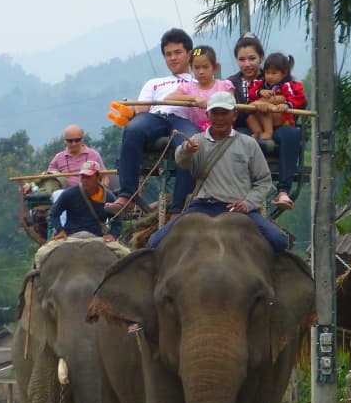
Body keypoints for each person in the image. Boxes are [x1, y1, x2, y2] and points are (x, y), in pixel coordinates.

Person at [147, 91, 290, 253]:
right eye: (215, 113)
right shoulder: (197, 140)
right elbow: (182, 161)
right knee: (154, 242)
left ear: (234, 115)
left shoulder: (249, 144)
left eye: (224, 113)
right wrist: (186, 150)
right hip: (202, 206)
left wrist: (248, 203)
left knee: (279, 240)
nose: (219, 118)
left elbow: (263, 180)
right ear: (208, 114)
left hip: (238, 207)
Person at [105, 28, 200, 215]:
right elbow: (141, 110)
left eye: (178, 52)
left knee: (190, 144)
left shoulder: (198, 81)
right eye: (168, 54)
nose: (173, 58)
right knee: (133, 129)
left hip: (182, 119)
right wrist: (130, 113)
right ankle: (127, 196)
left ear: (189, 54)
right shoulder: (154, 83)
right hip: (155, 117)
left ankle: (178, 207)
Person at [228, 34, 303, 210]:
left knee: (292, 133)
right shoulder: (231, 83)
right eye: (242, 59)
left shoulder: (273, 75)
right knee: (242, 139)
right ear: (236, 61)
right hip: (245, 126)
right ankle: (239, 191)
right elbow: (232, 113)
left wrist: (281, 101)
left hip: (277, 123)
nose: (247, 64)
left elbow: (298, 98)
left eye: (252, 58)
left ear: (260, 58)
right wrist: (254, 106)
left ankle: (282, 191)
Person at [34, 161, 128, 267]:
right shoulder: (69, 193)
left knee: (126, 255)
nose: (84, 180)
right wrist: (60, 230)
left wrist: (113, 235)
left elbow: (117, 219)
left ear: (98, 177)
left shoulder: (108, 196)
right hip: (70, 237)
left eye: (88, 177)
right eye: (82, 176)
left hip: (98, 237)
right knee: (40, 255)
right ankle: (35, 282)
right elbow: (54, 213)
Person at [165, 45, 234, 133]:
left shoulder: (225, 85)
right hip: (197, 131)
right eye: (197, 68)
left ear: (215, 67)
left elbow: (232, 107)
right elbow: (169, 98)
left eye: (205, 67)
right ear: (191, 69)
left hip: (223, 127)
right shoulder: (189, 88)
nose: (201, 72)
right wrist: (194, 98)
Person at [246, 52, 306, 145]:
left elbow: (299, 97)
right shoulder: (260, 84)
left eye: (274, 73)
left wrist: (286, 104)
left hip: (280, 117)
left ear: (284, 73)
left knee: (263, 107)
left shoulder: (288, 85)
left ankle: (268, 133)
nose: (269, 76)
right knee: (250, 117)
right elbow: (250, 93)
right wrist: (259, 92)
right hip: (261, 119)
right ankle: (259, 132)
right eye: (267, 73)